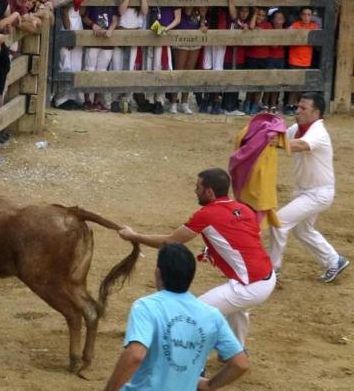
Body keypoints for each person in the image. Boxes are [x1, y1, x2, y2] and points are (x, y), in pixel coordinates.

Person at [62, 243, 248, 391]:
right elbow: (240, 363)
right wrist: (210, 385)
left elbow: (135, 355)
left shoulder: (148, 306)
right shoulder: (211, 315)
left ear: (158, 273)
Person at [119, 168, 276, 346]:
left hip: (250, 285)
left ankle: (197, 368)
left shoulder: (206, 214)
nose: (195, 191)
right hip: (267, 276)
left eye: (198, 188)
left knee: (193, 316)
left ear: (209, 191)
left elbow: (170, 242)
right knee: (237, 310)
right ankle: (236, 351)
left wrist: (134, 236)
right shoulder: (244, 209)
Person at [269, 93, 350, 283]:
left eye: (303, 108)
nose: (297, 111)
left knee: (278, 222)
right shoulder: (298, 128)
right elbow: (279, 137)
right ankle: (334, 261)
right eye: (297, 107)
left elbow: (301, 145)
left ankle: (272, 270)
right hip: (305, 191)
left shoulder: (318, 132)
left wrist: (277, 142)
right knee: (302, 231)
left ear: (316, 112)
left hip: (318, 193)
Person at [82, 0, 119, 112]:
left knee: (101, 71)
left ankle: (97, 100)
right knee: (89, 69)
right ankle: (87, 100)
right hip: (94, 37)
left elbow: (116, 17)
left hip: (107, 39)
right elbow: (84, 17)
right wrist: (93, 25)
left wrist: (111, 28)